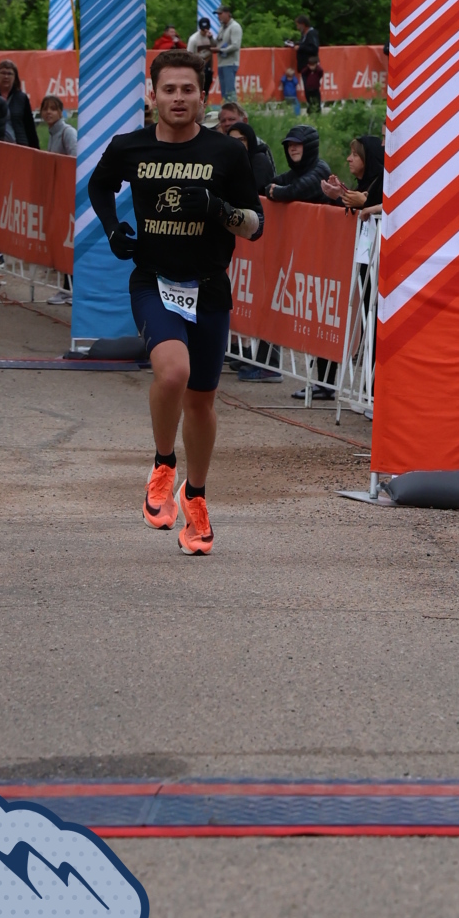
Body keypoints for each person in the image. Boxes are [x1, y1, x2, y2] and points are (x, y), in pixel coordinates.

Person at [86, 47, 264, 557]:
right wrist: (112, 228)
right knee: (172, 373)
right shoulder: (130, 147)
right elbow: (99, 185)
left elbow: (255, 226)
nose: (179, 98)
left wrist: (215, 207)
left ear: (204, 96)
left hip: (209, 286)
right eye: (169, 89)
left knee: (202, 402)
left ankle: (196, 496)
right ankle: (164, 464)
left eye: (188, 89)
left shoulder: (226, 153)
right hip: (154, 281)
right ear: (153, 94)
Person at [217, 99, 274, 197]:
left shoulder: (259, 152)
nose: (227, 123)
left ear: (245, 120)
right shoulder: (220, 148)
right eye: (223, 121)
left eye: (231, 119)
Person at [265, 123, 331, 204]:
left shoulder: (321, 170)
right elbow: (271, 184)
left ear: (308, 146)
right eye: (290, 145)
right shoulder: (296, 171)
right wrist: (270, 190)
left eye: (297, 144)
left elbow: (299, 191)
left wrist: (275, 192)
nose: (292, 148)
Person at [325, 132, 385, 213]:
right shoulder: (362, 186)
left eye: (355, 154)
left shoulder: (383, 187)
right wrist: (341, 194)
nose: (348, 159)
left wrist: (339, 197)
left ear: (368, 158)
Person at [0, 57, 39, 147]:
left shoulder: (21, 98)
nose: (6, 77)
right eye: (3, 73)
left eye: (9, 74)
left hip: (19, 146)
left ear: (15, 77)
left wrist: (35, 149)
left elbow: (29, 127)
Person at [293, 15, 322, 112]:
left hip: (311, 67)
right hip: (305, 67)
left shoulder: (312, 34)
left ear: (303, 24)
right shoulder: (304, 35)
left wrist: (300, 48)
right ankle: (312, 108)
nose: (297, 27)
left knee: (312, 88)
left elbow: (314, 48)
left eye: (298, 25)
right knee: (307, 89)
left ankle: (316, 109)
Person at [214, 4, 242, 102]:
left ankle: (233, 109)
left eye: (220, 14)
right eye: (217, 14)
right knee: (224, 93)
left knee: (230, 92)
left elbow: (235, 45)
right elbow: (219, 42)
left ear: (227, 14)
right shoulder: (222, 27)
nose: (218, 16)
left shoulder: (235, 27)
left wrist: (221, 50)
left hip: (230, 63)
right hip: (221, 63)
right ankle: (227, 109)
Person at [188, 16, 215, 100]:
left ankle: (204, 101)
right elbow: (189, 54)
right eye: (203, 29)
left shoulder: (210, 37)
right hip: (198, 65)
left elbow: (215, 48)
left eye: (206, 29)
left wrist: (211, 38)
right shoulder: (193, 39)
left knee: (207, 84)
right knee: (199, 85)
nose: (205, 31)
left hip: (208, 65)